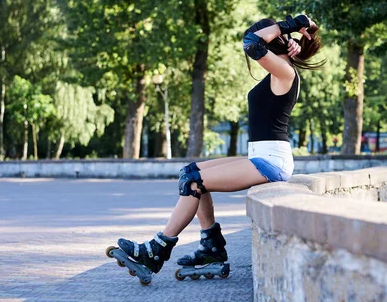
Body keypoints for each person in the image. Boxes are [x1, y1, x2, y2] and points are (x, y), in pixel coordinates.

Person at [107, 14, 324, 283]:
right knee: (190, 173)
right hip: (261, 154)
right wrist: (298, 29)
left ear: (274, 40)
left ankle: (156, 250)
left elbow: (251, 42)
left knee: (194, 182)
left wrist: (287, 27)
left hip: (271, 161)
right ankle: (211, 248)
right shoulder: (280, 69)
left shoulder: (285, 72)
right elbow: (275, 36)